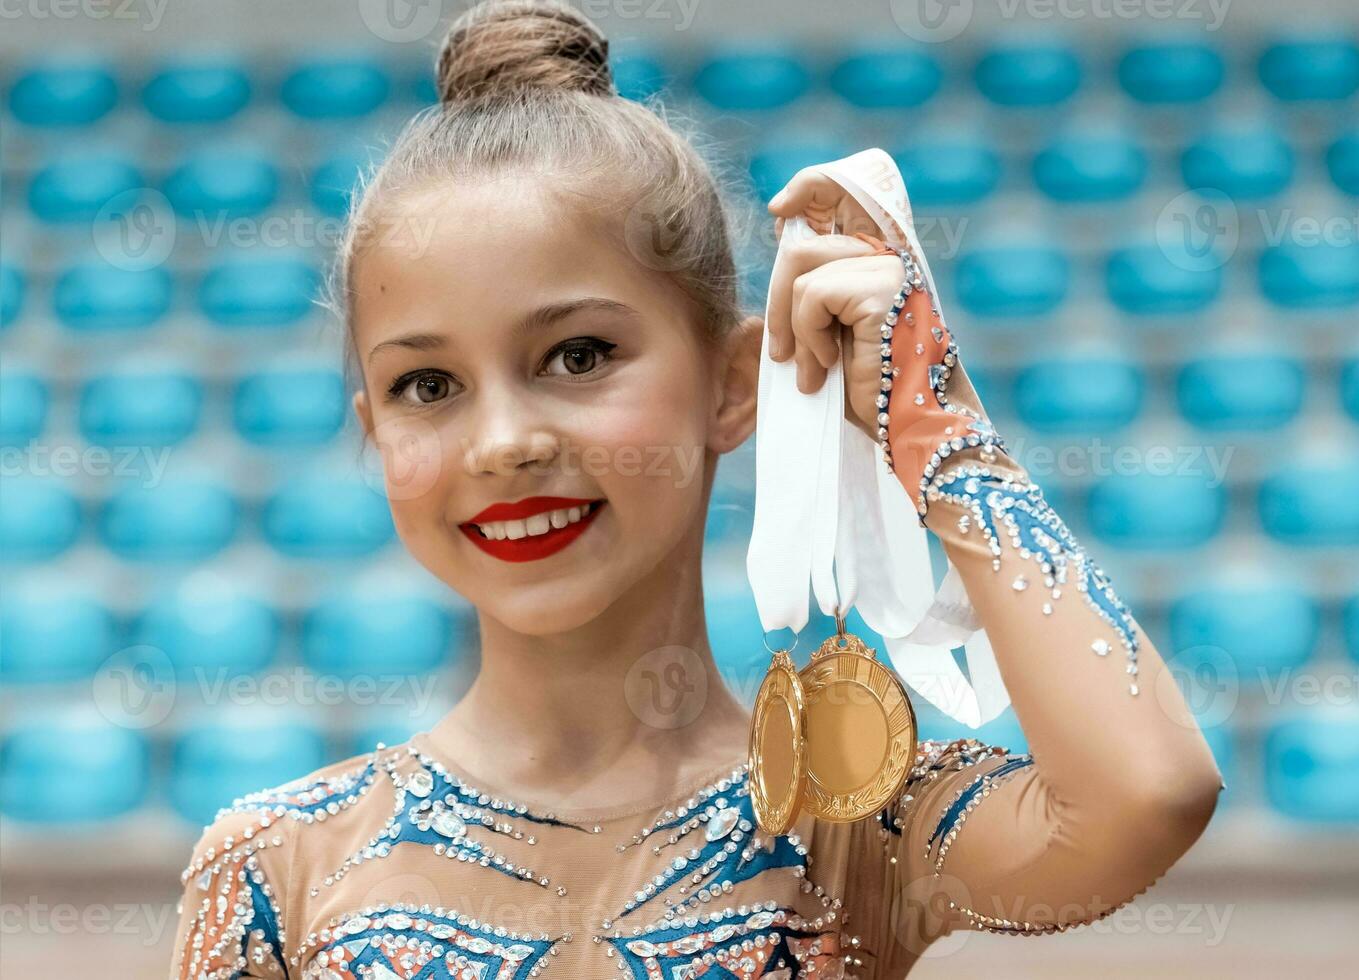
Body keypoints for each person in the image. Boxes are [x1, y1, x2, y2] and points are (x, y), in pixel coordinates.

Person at [167, 2, 1223, 977]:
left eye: (577, 355)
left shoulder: (855, 826)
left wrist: (936, 424)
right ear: (374, 430)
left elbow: (1146, 794)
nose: (502, 441)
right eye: (426, 384)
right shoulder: (277, 869)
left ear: (731, 381)